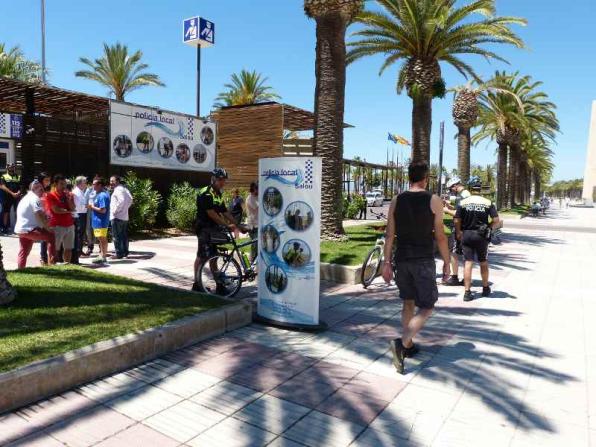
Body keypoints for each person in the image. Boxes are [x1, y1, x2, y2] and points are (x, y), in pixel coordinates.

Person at [383, 161, 450, 375]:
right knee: (428, 307)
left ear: (409, 177)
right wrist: (447, 261)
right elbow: (439, 235)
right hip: (422, 259)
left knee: (408, 302)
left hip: (401, 259)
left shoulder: (396, 200)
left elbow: (389, 235)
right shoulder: (434, 200)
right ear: (425, 178)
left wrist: (386, 263)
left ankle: (409, 347)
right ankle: (402, 344)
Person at [192, 168, 239, 292]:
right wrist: (226, 225)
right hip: (203, 228)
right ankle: (197, 284)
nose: (223, 182)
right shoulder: (205, 193)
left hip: (213, 229)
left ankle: (219, 286)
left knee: (213, 256)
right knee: (201, 256)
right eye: (220, 180)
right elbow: (211, 213)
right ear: (213, 179)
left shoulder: (218, 193)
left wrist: (237, 224)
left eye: (224, 180)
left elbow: (224, 211)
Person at [454, 179, 501, 302]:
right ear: (480, 189)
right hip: (482, 236)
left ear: (470, 188)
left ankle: (467, 292)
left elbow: (456, 219)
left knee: (468, 262)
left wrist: (458, 231)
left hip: (467, 234)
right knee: (483, 261)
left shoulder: (463, 202)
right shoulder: (488, 202)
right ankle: (485, 288)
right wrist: (488, 227)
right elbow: (496, 220)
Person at [14, 180, 56, 268]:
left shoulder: (26, 198)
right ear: (34, 189)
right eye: (41, 190)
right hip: (29, 229)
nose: (43, 192)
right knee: (51, 236)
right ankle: (52, 264)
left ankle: (20, 270)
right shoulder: (34, 198)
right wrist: (47, 227)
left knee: (24, 251)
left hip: (21, 229)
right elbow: (39, 214)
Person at [442, 177, 471, 286]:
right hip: (464, 227)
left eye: (451, 189)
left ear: (455, 186)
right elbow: (460, 209)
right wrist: (451, 206)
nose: (451, 191)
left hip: (461, 228)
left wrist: (446, 210)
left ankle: (455, 277)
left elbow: (460, 214)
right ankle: (465, 277)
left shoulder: (464, 195)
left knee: (455, 252)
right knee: (462, 253)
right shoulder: (464, 195)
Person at [45, 175, 75, 263]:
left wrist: (69, 199)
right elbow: (56, 210)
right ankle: (52, 268)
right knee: (54, 250)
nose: (64, 186)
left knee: (68, 248)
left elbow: (73, 208)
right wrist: (69, 211)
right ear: (55, 184)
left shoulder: (69, 195)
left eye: (65, 184)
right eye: (61, 184)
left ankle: (67, 267)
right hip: (57, 226)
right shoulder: (50, 195)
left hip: (70, 225)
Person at [109, 175, 133, 259]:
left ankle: (119, 253)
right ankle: (125, 253)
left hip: (117, 217)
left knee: (116, 236)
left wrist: (116, 211)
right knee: (123, 236)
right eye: (110, 181)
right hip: (124, 216)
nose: (111, 183)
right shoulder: (125, 189)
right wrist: (125, 208)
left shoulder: (118, 190)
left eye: (112, 181)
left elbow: (121, 201)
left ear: (118, 181)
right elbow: (130, 199)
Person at [88, 177, 110, 265]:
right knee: (100, 239)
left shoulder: (102, 196)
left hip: (101, 221)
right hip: (97, 221)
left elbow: (103, 210)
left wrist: (92, 207)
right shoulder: (98, 194)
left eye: (94, 184)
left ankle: (103, 257)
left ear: (100, 185)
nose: (92, 186)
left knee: (102, 239)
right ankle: (101, 255)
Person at [0, 163, 22, 234]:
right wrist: (12, 193)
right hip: (7, 197)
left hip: (16, 197)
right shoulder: (3, 176)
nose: (11, 168)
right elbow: (2, 186)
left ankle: (18, 228)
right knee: (6, 212)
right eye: (10, 167)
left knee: (18, 212)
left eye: (12, 167)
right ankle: (5, 228)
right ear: (7, 168)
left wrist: (18, 192)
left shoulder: (18, 176)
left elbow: (20, 187)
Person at [72, 176, 90, 263]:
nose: (86, 184)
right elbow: (77, 205)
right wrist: (87, 206)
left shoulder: (81, 191)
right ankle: (78, 251)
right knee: (79, 233)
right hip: (79, 214)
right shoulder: (76, 192)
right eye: (84, 182)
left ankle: (79, 250)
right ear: (79, 183)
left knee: (81, 233)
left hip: (83, 213)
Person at [37, 172, 52, 265]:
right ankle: (43, 257)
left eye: (49, 180)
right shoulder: (38, 189)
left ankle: (45, 257)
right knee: (44, 236)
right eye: (47, 180)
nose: (49, 182)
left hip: (47, 214)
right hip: (43, 215)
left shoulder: (45, 189)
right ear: (42, 180)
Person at [245, 182, 259, 263]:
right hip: (253, 226)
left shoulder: (257, 197)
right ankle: (252, 263)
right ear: (253, 188)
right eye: (256, 189)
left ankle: (254, 263)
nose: (257, 191)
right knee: (255, 246)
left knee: (257, 246)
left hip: (258, 225)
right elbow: (259, 208)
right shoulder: (250, 198)